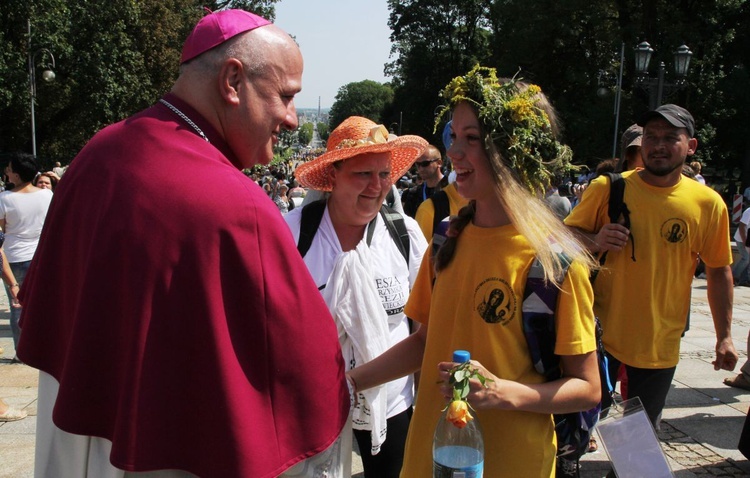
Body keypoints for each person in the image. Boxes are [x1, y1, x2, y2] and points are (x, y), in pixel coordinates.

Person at [16, 10, 350, 477]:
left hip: (73, 438)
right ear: (232, 81)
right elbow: (306, 369)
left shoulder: (97, 153)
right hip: (167, 457)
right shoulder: (238, 206)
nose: (293, 120)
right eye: (286, 96)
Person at [348, 66, 601, 477]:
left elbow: (587, 388)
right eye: (454, 136)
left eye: (472, 139)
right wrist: (349, 383)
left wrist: (504, 393)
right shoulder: (447, 238)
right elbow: (426, 342)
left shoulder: (553, 264)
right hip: (429, 456)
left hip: (512, 462)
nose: (454, 152)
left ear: (511, 151)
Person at [565, 104, 738, 432]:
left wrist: (725, 336)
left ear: (691, 146)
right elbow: (560, 236)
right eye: (651, 136)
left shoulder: (708, 204)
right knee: (578, 424)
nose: (658, 144)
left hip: (660, 340)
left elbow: (719, 270)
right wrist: (595, 239)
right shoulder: (609, 188)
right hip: (597, 333)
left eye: (670, 137)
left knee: (638, 436)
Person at [286, 116, 428, 477]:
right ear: (332, 176)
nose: (376, 187)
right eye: (362, 174)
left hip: (391, 402)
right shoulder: (293, 233)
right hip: (307, 407)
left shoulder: (405, 235)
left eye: (384, 174)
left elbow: (426, 332)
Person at [0, 153, 53, 360]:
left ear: (17, 174)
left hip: (13, 256)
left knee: (17, 304)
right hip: (40, 254)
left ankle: (22, 352)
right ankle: (44, 347)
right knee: (41, 303)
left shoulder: (5, 199)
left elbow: (2, 232)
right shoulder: (46, 195)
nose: (7, 172)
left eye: (10, 169)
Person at [401, 144, 448, 218]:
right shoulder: (413, 194)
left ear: (439, 163)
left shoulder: (453, 188)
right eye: (417, 164)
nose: (421, 168)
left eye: (425, 164)